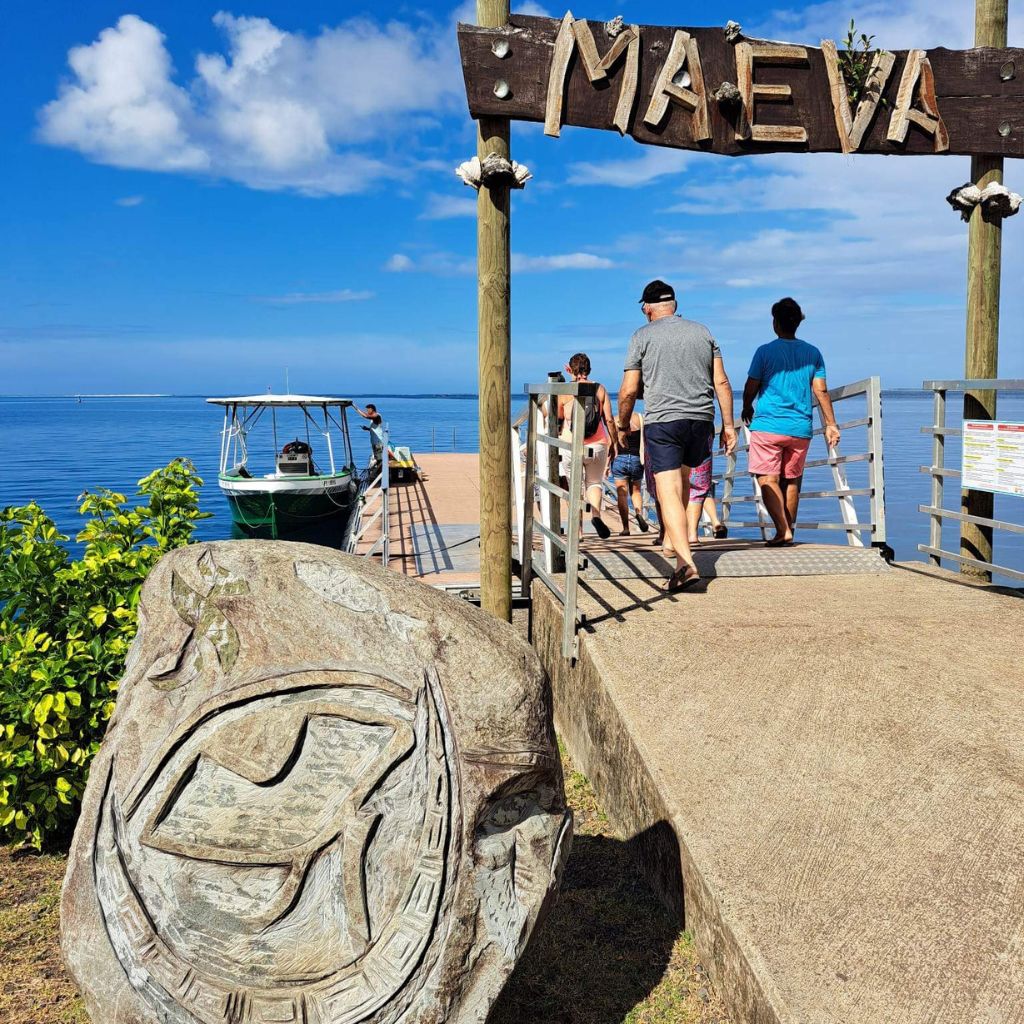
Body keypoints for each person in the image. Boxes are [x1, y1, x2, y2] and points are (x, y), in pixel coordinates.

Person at [618, 280, 737, 592]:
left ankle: (685, 565)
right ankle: (673, 540)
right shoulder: (703, 332)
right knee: (683, 482)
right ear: (674, 305)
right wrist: (728, 426)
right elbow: (722, 382)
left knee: (668, 489)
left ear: (647, 308)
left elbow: (629, 390)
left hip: (664, 422)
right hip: (701, 421)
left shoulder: (641, 336)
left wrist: (622, 424)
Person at [742, 297, 841, 547]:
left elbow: (752, 384)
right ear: (798, 323)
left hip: (768, 426)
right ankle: (788, 534)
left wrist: (746, 406)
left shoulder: (764, 352)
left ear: (775, 323)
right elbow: (821, 390)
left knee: (767, 480)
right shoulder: (813, 353)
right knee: (792, 481)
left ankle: (782, 530)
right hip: (800, 428)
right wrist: (831, 423)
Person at [558, 353, 619, 539]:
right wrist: (614, 442)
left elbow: (558, 419)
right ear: (589, 369)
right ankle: (596, 516)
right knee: (594, 483)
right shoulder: (599, 389)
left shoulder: (565, 391)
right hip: (598, 444)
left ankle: (578, 532)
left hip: (571, 445)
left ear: (570, 369)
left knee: (574, 488)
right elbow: (609, 419)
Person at [610, 409, 649, 535]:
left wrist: (606, 464)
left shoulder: (615, 419)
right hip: (637, 459)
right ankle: (638, 514)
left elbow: (611, 443)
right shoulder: (640, 418)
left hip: (619, 459)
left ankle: (626, 528)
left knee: (622, 494)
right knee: (636, 492)